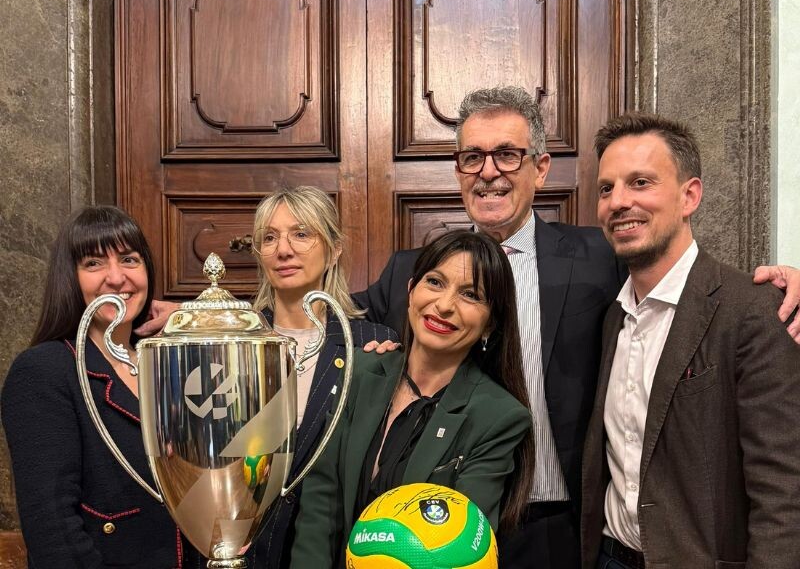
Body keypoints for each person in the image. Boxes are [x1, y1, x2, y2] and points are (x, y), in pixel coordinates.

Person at [352, 86, 800, 569]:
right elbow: (328, 323)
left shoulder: (603, 255)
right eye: (472, 157)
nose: (488, 172)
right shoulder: (413, 273)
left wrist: (782, 284)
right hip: (442, 528)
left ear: (541, 168)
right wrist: (376, 345)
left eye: (507, 154)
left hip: (566, 532)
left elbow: (687, 287)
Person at [580, 113, 800, 568]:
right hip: (608, 556)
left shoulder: (754, 310)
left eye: (640, 182)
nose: (618, 202)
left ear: (689, 196)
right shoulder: (611, 316)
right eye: (606, 188)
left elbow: (784, 488)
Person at [291, 229, 535, 568]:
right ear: (410, 290)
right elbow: (321, 502)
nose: (444, 305)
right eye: (434, 282)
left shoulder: (498, 417)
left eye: (470, 295)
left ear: (491, 323)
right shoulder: (359, 371)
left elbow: (458, 547)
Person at [1, 206, 186, 568]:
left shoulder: (168, 362)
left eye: (129, 259)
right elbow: (53, 533)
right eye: (94, 263)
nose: (116, 278)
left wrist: (195, 318)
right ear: (69, 278)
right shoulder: (43, 371)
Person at [241, 186, 396, 569]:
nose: (283, 250)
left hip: (333, 551)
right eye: (269, 238)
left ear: (335, 248)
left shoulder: (373, 345)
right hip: (245, 549)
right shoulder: (234, 339)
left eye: (301, 234)